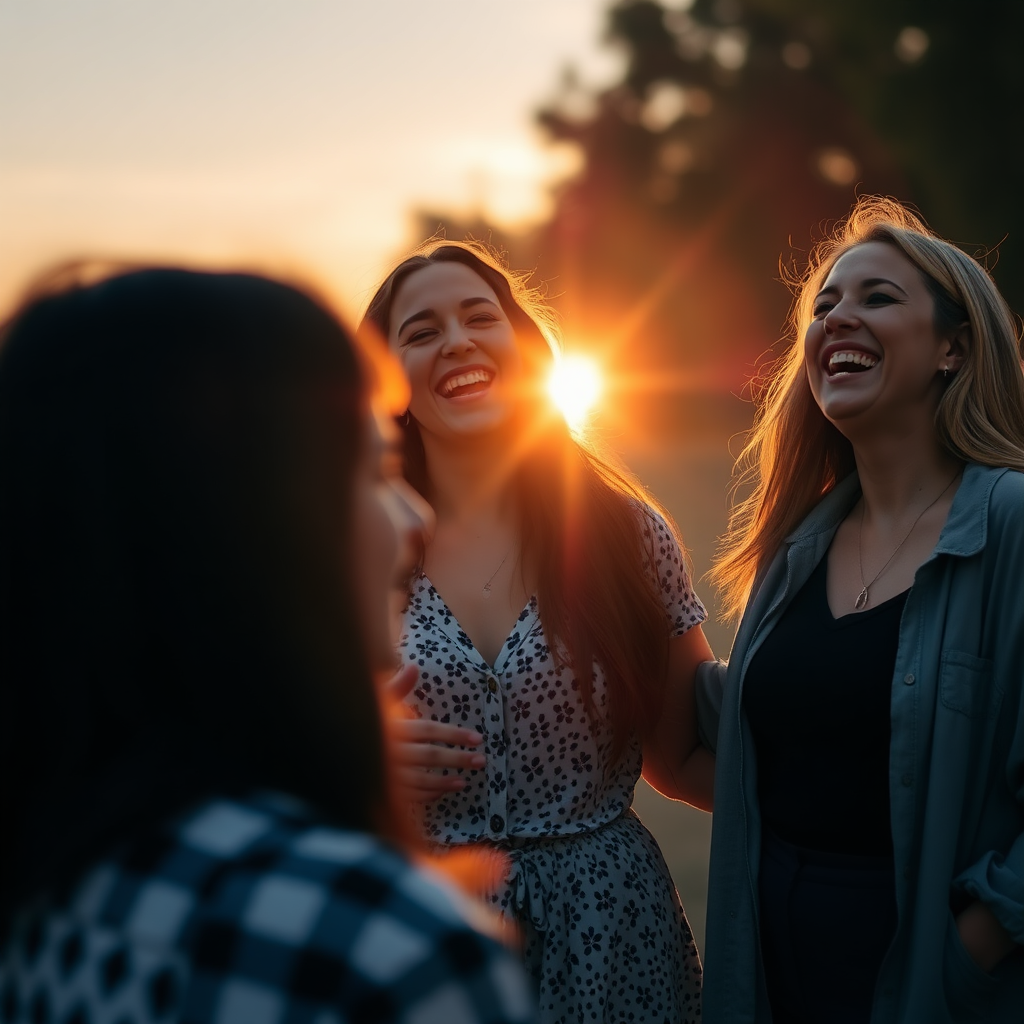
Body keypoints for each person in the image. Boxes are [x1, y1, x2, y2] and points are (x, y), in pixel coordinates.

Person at [0, 266, 537, 1024]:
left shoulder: (47, 894)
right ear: (249, 532)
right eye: (375, 467)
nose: (411, 518)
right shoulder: (387, 952)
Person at [362, 241, 714, 1023]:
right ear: (387, 383)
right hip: (425, 941)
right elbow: (258, 750)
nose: (456, 340)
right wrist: (356, 751)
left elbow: (687, 758)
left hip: (616, 940)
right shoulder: (351, 545)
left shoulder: (626, 534)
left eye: (479, 317)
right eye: (420, 331)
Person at [698, 197, 1024, 1023]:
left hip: (927, 974)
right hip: (773, 970)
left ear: (953, 347)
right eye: (824, 306)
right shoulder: (798, 548)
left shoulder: (1012, 522)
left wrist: (969, 950)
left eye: (877, 298)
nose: (838, 317)